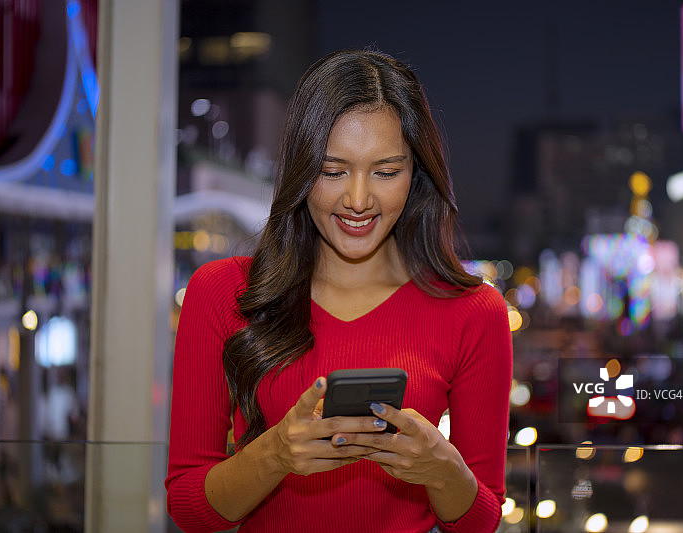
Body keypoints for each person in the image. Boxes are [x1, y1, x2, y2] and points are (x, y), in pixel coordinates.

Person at [165, 49, 513, 533]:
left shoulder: (474, 311)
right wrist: (275, 453)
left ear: (416, 175)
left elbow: (481, 521)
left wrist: (441, 468)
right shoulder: (222, 292)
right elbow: (188, 507)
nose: (358, 200)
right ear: (300, 171)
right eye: (332, 171)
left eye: (386, 172)